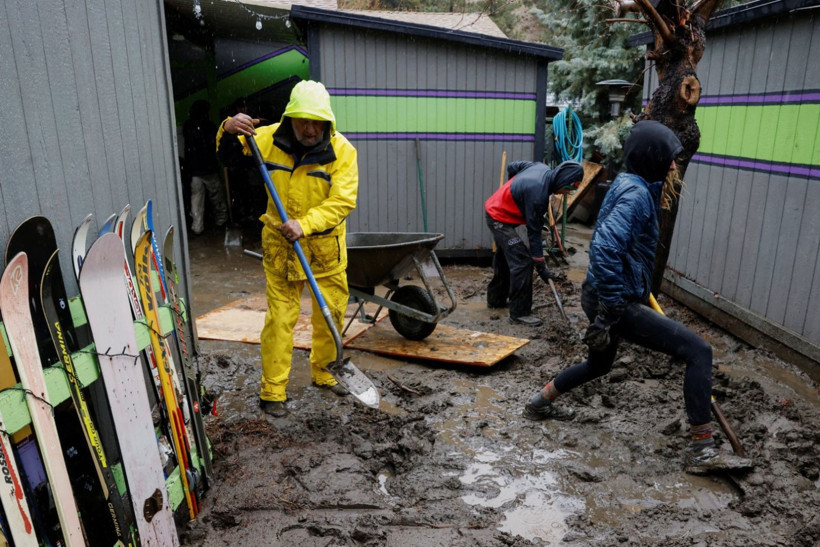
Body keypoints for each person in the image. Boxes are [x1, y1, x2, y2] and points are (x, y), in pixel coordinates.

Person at [521, 120, 753, 474]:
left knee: (599, 365)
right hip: (613, 301)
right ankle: (702, 451)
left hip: (602, 295)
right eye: (670, 158)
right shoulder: (636, 194)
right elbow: (604, 247)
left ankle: (540, 402)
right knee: (699, 351)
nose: (674, 166)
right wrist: (614, 305)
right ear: (652, 158)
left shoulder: (630, 184)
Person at [217, 81, 358, 418]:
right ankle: (273, 390)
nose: (309, 129)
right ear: (290, 118)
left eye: (316, 122)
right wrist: (227, 126)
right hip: (281, 246)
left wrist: (305, 224)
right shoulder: (266, 139)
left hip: (324, 249)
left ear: (327, 122)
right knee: (280, 319)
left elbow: (343, 201)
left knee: (331, 314)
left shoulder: (343, 152)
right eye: (302, 121)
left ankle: (325, 372)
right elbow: (228, 156)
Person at [485, 160, 584, 326]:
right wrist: (541, 265)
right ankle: (519, 313)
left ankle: (496, 299)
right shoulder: (538, 195)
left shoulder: (541, 168)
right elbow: (534, 233)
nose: (565, 194)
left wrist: (515, 191)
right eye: (567, 189)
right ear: (561, 180)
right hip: (498, 218)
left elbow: (513, 166)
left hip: (497, 209)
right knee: (523, 261)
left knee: (506, 257)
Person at [183, 100, 229, 235]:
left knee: (196, 203)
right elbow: (214, 146)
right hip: (209, 169)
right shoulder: (209, 126)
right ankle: (221, 223)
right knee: (217, 199)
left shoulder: (188, 126)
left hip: (195, 171)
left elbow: (189, 148)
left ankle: (197, 229)